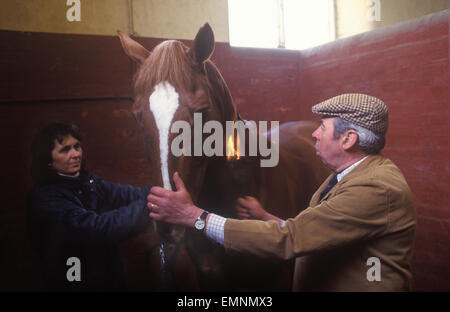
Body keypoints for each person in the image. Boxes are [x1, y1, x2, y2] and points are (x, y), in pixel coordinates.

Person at [147, 93, 417, 291]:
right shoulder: (345, 175)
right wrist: (269, 218)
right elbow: (319, 231)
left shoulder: (375, 188)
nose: (315, 134)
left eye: (322, 128)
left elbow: (289, 240)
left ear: (348, 139)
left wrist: (194, 216)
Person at [28, 122, 152, 291]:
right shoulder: (47, 199)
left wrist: (165, 189)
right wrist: (154, 205)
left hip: (108, 281)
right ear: (48, 160)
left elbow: (127, 194)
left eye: (77, 147)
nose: (75, 154)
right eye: (65, 150)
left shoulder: (89, 181)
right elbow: (97, 229)